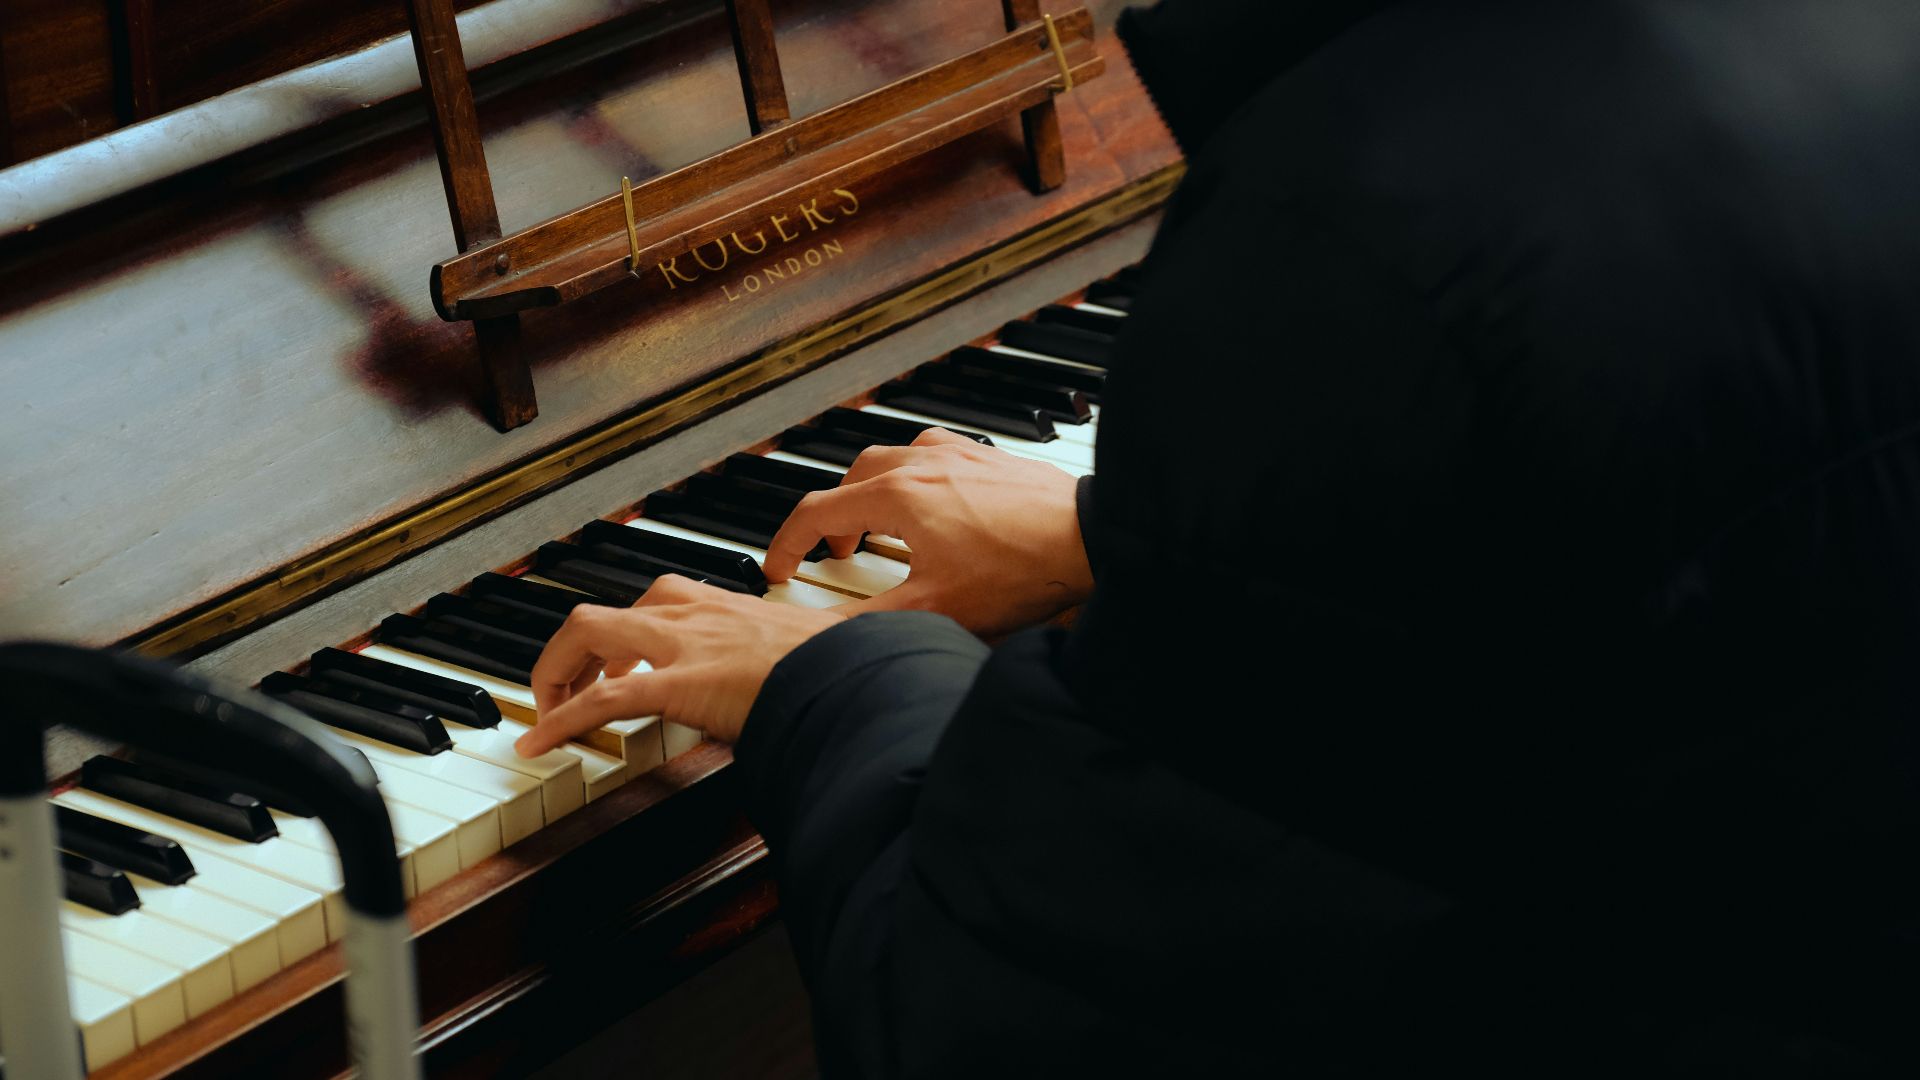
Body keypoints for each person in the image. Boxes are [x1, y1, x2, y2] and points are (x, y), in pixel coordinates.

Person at [516, 1, 1920, 1073]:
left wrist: (829, 681)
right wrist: (1112, 535)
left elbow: (994, 1025)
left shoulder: (1360, 224)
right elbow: (1657, 519)